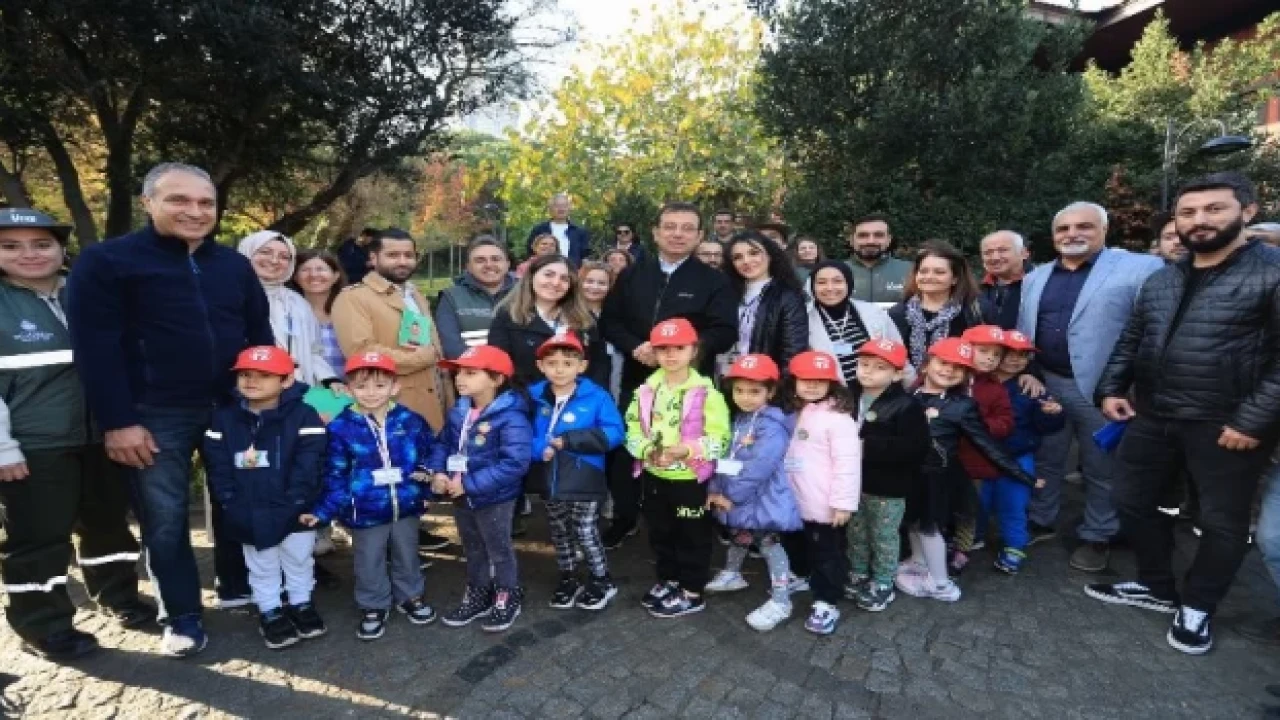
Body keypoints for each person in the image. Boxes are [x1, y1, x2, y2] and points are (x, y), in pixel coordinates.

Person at [67, 162, 274, 657]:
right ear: (148, 202)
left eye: (205, 202)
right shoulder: (107, 262)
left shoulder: (233, 266)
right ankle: (180, 614)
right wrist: (119, 421)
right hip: (153, 413)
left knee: (239, 498)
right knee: (164, 518)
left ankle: (237, 585)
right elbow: (95, 349)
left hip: (231, 406)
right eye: (179, 200)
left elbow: (259, 336)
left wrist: (265, 401)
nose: (195, 211)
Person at [1093, 172, 1280, 656]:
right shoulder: (1163, 278)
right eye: (1188, 212)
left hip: (1227, 423)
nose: (1199, 220)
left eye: (1214, 209)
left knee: (1222, 521)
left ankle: (1198, 606)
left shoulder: (1272, 272)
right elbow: (1133, 339)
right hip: (1153, 414)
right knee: (1131, 499)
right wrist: (1110, 387)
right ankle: (1156, 585)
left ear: (1248, 211)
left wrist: (1253, 420)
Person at [0, 208, 153, 661]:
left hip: (104, 433)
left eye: (41, 243)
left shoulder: (86, 290)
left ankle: (119, 596)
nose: (29, 254)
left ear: (60, 248)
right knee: (39, 539)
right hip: (35, 443)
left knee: (108, 526)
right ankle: (44, 627)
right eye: (11, 246)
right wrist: (3, 447)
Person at [1017, 201, 1163, 573]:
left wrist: (1129, 387)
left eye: (1084, 226)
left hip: (1106, 391)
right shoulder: (1035, 277)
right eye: (1063, 229)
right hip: (1047, 383)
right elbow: (1025, 332)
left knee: (1103, 467)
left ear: (1104, 230)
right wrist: (1029, 370)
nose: (1072, 234)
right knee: (1047, 458)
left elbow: (1152, 332)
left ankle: (1099, 534)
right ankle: (1041, 519)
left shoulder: (1141, 268)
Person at [601, 202, 737, 549]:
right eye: (670, 226)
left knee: (689, 452)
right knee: (630, 449)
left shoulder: (714, 281)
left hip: (690, 388)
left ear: (700, 236)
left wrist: (685, 352)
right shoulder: (632, 275)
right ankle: (625, 517)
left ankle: (693, 518)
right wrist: (635, 347)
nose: (678, 234)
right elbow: (610, 322)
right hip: (639, 380)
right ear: (656, 232)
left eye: (687, 228)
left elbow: (725, 331)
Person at [303, 351, 439, 641]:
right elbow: (334, 474)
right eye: (361, 385)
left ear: (395, 387)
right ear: (348, 389)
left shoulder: (411, 420)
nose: (371, 392)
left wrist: (427, 488)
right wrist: (325, 511)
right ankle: (373, 604)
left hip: (406, 505)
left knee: (407, 554)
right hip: (363, 511)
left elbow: (430, 454)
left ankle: (410, 596)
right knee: (368, 559)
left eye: (380, 385)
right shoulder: (340, 427)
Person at [203, 346, 328, 650]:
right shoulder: (224, 418)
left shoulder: (305, 414)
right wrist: (229, 499)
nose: (251, 381)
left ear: (286, 380)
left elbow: (311, 461)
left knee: (299, 560)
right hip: (249, 509)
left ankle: (301, 603)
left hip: (296, 509)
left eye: (264, 375)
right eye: (245, 374)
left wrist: (297, 499)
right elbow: (217, 463)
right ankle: (270, 610)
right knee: (261, 565)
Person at [899, 338, 1038, 604]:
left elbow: (987, 444)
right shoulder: (909, 396)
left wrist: (1022, 475)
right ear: (927, 364)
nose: (949, 370)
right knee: (913, 521)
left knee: (930, 528)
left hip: (936, 477)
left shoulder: (962, 405)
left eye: (958, 367)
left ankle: (940, 583)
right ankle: (918, 561)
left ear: (966, 375)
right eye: (943, 362)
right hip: (910, 475)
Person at [627, 318, 731, 619]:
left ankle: (692, 591)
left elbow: (721, 439)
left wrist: (688, 450)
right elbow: (632, 429)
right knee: (660, 532)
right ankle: (670, 580)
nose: (670, 355)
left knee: (692, 537)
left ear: (693, 350)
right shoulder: (645, 390)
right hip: (654, 475)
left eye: (679, 348)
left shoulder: (707, 393)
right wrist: (648, 451)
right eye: (663, 349)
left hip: (690, 479)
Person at [431, 346, 533, 632]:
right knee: (473, 548)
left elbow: (515, 463)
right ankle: (479, 592)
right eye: (458, 372)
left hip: (494, 497)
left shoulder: (511, 416)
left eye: (470, 373)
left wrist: (468, 484)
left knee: (499, 550)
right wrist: (439, 472)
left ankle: (507, 594)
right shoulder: (459, 411)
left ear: (496, 379)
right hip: (460, 495)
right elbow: (443, 445)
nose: (459, 378)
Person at [703, 354, 801, 631]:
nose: (745, 397)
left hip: (761, 498)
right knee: (740, 534)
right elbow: (725, 456)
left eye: (754, 391)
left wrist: (730, 496)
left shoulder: (771, 426)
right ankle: (733, 573)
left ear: (771, 391)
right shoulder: (741, 419)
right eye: (739, 390)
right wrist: (715, 488)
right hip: (741, 496)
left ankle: (782, 599)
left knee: (769, 544)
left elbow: (759, 467)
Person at [529, 333, 625, 611]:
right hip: (549, 477)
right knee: (559, 531)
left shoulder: (597, 396)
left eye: (568, 363)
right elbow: (522, 433)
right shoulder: (533, 396)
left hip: (585, 476)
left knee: (585, 530)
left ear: (581, 366)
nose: (559, 369)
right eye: (552, 363)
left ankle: (601, 579)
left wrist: (570, 440)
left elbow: (615, 432)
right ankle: (568, 577)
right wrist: (539, 449)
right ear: (540, 366)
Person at [332, 228, 450, 431]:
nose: (402, 261)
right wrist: (422, 358)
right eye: (393, 255)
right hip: (393, 409)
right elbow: (361, 352)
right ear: (373, 258)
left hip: (435, 401)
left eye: (408, 255)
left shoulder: (415, 294)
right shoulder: (353, 298)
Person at [845, 340, 930, 613]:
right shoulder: (848, 396)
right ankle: (858, 572)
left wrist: (867, 447)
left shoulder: (907, 405)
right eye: (864, 364)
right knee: (856, 531)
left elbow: (915, 448)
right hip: (851, 482)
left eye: (880, 367)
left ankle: (883, 581)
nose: (868, 371)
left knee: (883, 535)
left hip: (888, 486)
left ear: (897, 374)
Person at [783, 351, 861, 635]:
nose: (812, 385)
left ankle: (827, 601)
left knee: (827, 555)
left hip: (824, 505)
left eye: (820, 380)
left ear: (832, 384)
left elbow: (848, 464)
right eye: (806, 379)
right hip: (795, 501)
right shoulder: (796, 411)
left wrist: (843, 503)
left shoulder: (839, 419)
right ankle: (802, 575)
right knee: (797, 545)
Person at [984, 331, 1064, 575]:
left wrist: (1052, 414)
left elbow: (1047, 427)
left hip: (1018, 456)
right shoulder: (977, 380)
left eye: (1023, 355)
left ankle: (1015, 547)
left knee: (1014, 504)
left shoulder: (1032, 387)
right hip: (980, 456)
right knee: (977, 502)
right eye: (1008, 353)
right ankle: (969, 539)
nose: (1015, 359)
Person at [487, 254, 608, 388]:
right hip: (523, 396)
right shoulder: (508, 316)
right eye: (548, 275)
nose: (556, 283)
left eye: (564, 279)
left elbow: (599, 365)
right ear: (531, 276)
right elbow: (498, 366)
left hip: (578, 397)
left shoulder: (584, 318)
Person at [951, 325, 1016, 575]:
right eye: (984, 351)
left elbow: (1006, 422)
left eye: (996, 354)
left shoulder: (995, 388)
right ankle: (938, 543)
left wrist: (981, 425)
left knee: (968, 507)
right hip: (942, 457)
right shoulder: (947, 373)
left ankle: (962, 549)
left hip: (975, 460)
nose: (990, 358)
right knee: (941, 503)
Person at [237, 231, 339, 388]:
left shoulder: (296, 302)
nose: (274, 260)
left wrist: (330, 379)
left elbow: (314, 350)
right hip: (244, 388)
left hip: (295, 389)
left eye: (284, 257)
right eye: (265, 252)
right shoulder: (228, 296)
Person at [888, 242, 988, 373]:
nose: (929, 277)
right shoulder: (897, 314)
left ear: (955, 278)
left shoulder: (973, 313)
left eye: (939, 272)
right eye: (923, 271)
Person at [722, 230, 809, 375]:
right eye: (738, 257)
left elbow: (793, 352)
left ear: (770, 255)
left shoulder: (787, 296)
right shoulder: (726, 293)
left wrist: (778, 385)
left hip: (766, 380)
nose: (746, 261)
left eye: (753, 253)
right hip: (729, 376)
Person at [806, 260, 904, 386]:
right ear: (812, 287)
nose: (830, 288)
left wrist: (910, 388)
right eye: (821, 282)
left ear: (849, 283)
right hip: (833, 395)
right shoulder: (803, 318)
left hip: (878, 391)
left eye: (837, 281)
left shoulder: (873, 311)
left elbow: (898, 352)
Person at [435, 235, 516, 360]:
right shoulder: (451, 297)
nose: (489, 265)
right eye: (480, 260)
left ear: (507, 264)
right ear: (468, 267)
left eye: (496, 259)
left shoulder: (525, 294)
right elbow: (450, 346)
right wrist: (484, 367)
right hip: (469, 369)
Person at [290, 250, 350, 382]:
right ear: (295, 277)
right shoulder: (288, 312)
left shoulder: (351, 311)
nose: (313, 275)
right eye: (305, 270)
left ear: (336, 276)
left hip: (351, 388)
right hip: (303, 388)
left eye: (321, 269)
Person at [578, 261, 623, 400]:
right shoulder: (568, 314)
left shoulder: (617, 314)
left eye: (602, 283)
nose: (594, 287)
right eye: (589, 281)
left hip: (610, 381)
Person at [845, 214, 911, 304]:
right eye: (863, 235)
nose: (870, 241)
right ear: (851, 240)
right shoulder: (835, 271)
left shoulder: (911, 270)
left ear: (889, 240)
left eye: (878, 235)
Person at [978, 231, 1030, 330]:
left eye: (1003, 250)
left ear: (1023, 253)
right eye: (988, 253)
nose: (995, 257)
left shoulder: (1042, 285)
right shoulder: (975, 290)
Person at [526, 193, 589, 265]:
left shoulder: (579, 232)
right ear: (550, 209)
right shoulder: (539, 229)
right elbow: (531, 251)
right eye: (557, 206)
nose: (561, 209)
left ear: (569, 208)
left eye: (564, 206)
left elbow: (584, 256)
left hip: (572, 270)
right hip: (544, 268)